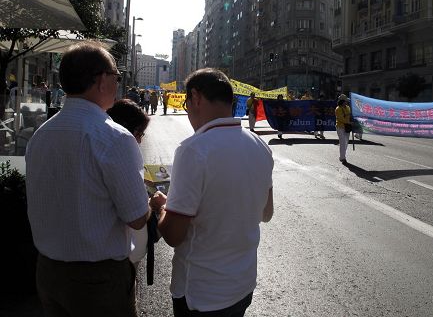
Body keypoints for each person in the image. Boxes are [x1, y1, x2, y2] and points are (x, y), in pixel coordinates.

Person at [25, 42, 151, 317]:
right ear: (101, 79)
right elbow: (137, 217)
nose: (118, 83)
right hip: (98, 279)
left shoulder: (41, 135)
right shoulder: (114, 137)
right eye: (116, 76)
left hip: (47, 271)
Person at [150, 68, 274, 316]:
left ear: (195, 98)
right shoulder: (260, 145)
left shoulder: (193, 150)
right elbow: (266, 213)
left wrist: (162, 206)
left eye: (187, 103)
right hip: (243, 285)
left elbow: (174, 235)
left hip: (202, 294)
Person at [107, 99, 151, 266]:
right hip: (117, 261)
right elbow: (137, 218)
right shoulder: (120, 146)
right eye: (139, 133)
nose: (139, 141)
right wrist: (151, 204)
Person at [335, 94, 351, 164]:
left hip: (347, 127)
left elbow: (350, 116)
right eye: (345, 101)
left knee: (346, 142)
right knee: (342, 142)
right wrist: (349, 122)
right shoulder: (338, 109)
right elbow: (341, 119)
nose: (347, 102)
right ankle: (342, 157)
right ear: (342, 101)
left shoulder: (348, 107)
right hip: (340, 127)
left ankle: (343, 155)